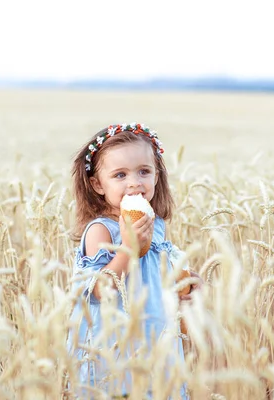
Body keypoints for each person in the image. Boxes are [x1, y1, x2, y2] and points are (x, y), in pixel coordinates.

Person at [66, 123, 201, 399]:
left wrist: (189, 281)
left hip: (156, 336)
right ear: (97, 184)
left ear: (157, 175)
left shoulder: (156, 224)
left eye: (144, 171)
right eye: (120, 175)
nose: (134, 183)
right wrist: (128, 249)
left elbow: (163, 265)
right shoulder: (101, 231)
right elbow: (98, 289)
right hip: (116, 342)